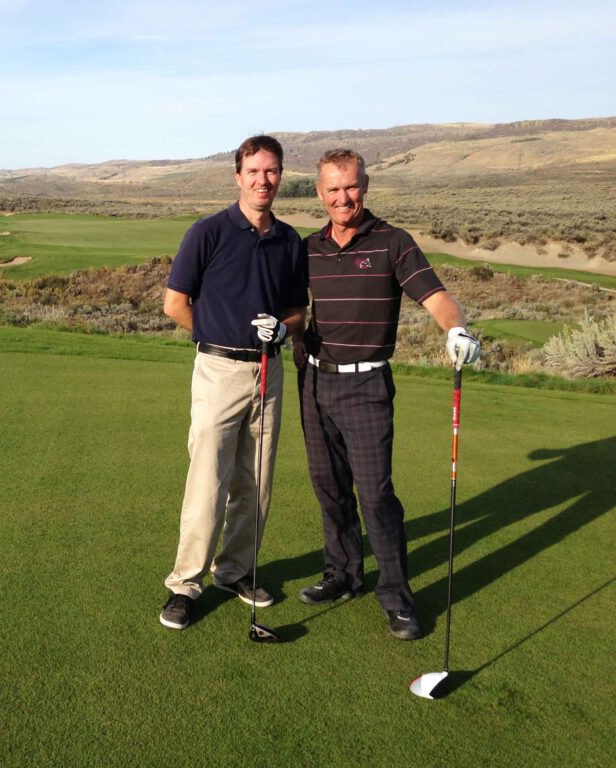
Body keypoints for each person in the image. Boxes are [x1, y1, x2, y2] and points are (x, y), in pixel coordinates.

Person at [295, 148, 481, 640]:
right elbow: (292, 310)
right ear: (319, 192)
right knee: (328, 486)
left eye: (350, 187)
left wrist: (456, 330)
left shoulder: (392, 242)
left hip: (366, 384)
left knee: (376, 495)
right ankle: (344, 573)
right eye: (332, 189)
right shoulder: (308, 248)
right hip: (313, 380)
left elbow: (437, 297)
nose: (342, 197)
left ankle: (396, 596)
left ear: (366, 185)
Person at [159, 135, 309, 630]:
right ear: (238, 176)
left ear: (281, 176)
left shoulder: (288, 240)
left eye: (272, 171)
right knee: (208, 480)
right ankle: (185, 584)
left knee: (256, 481)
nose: (263, 180)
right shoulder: (208, 232)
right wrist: (215, 335)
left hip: (269, 371)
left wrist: (284, 330)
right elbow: (175, 304)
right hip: (220, 369)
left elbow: (297, 311)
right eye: (254, 171)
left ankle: (235, 570)